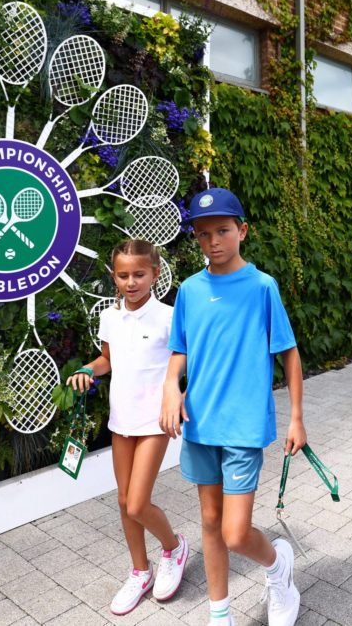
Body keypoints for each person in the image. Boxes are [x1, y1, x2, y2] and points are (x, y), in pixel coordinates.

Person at [160, 187, 306, 626]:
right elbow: (179, 350)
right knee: (209, 521)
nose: (213, 242)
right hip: (200, 424)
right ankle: (218, 615)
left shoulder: (262, 287)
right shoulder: (188, 290)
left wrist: (296, 417)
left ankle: (279, 566)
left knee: (236, 532)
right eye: (203, 235)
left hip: (243, 426)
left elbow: (290, 353)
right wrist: (171, 384)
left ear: (242, 230)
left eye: (222, 230)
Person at [66, 239, 189, 616]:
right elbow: (107, 360)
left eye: (139, 274)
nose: (131, 282)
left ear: (155, 273)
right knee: (124, 501)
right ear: (113, 276)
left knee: (137, 501)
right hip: (121, 419)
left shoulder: (169, 317)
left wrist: (181, 396)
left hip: (155, 420)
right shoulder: (109, 317)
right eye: (123, 275)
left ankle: (173, 546)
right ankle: (141, 570)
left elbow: (185, 362)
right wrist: (88, 370)